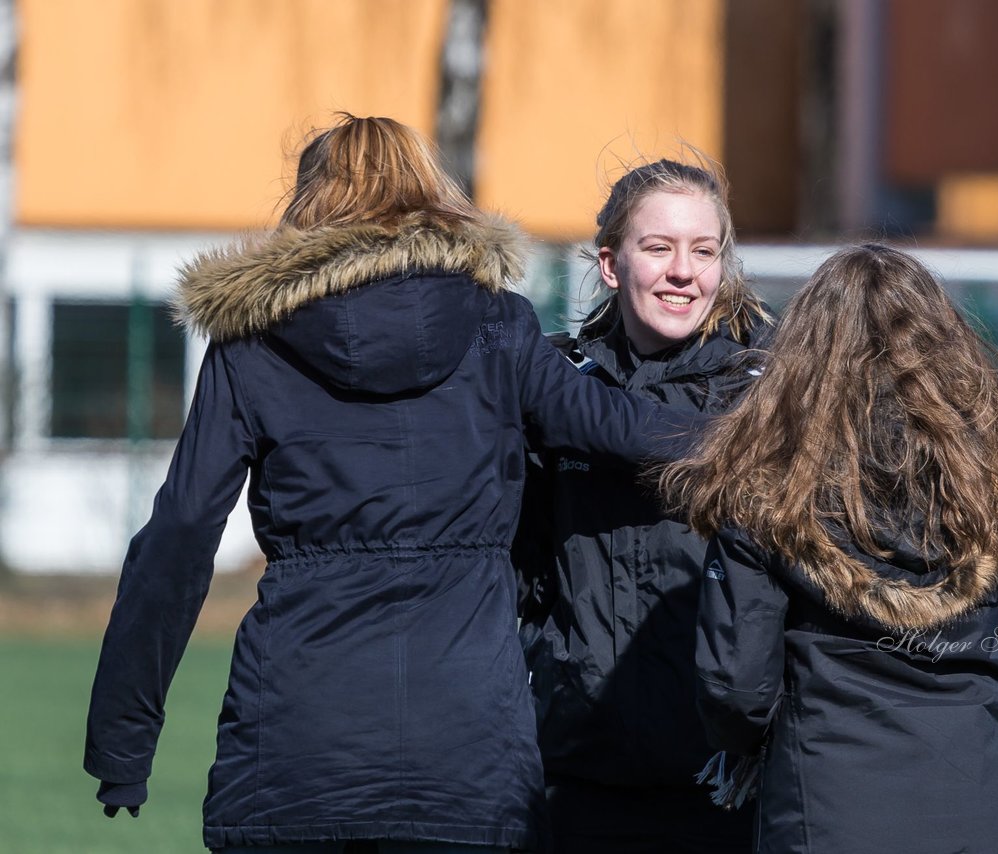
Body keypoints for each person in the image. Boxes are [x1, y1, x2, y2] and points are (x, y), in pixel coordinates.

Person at [84, 115, 692, 854]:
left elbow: (179, 535)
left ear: (308, 203)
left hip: (294, 746)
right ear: (431, 192)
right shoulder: (499, 325)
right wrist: (780, 429)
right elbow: (624, 430)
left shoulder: (251, 344)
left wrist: (123, 744)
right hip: (469, 751)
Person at [662, 244, 998, 854]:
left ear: (803, 359)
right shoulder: (993, 484)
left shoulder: (764, 495)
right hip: (981, 815)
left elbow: (736, 692)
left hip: (828, 811)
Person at [514, 158, 771, 853]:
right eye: (658, 248)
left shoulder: (772, 393)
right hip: (577, 770)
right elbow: (522, 570)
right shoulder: (553, 386)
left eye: (704, 250)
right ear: (609, 263)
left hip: (728, 780)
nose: (683, 271)